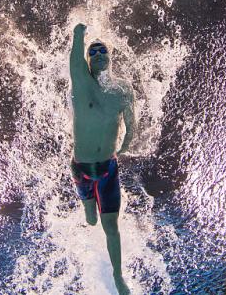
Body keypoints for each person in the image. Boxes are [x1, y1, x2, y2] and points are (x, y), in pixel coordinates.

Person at [69, 23, 135, 295]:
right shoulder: (82, 83)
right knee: (92, 219)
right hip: (82, 170)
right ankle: (87, 206)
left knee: (110, 225)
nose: (97, 54)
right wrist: (77, 35)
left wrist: (125, 146)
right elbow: (74, 59)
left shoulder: (122, 90)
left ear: (110, 56)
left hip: (109, 169)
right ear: (87, 61)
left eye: (102, 50)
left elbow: (131, 125)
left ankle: (118, 277)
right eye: (92, 52)